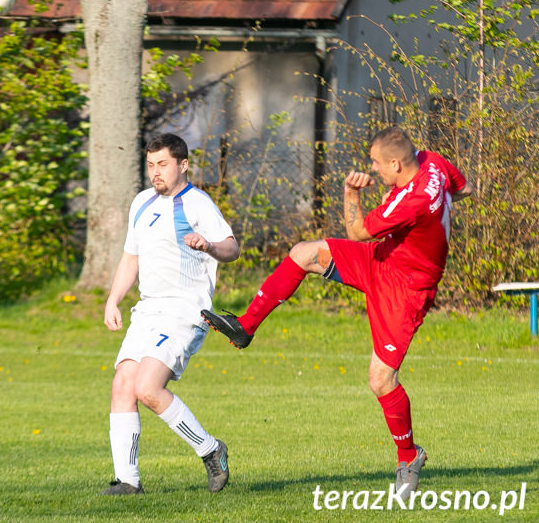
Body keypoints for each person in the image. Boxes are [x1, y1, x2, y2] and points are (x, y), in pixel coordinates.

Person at [202, 126, 473, 498]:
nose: (374, 169)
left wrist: (350, 192)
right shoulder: (433, 162)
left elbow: (358, 230)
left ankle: (409, 456)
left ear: (396, 162)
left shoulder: (409, 201)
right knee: (303, 253)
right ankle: (244, 326)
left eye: (377, 164)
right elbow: (464, 189)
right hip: (385, 259)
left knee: (380, 380)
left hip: (406, 288)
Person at [101, 133, 240, 496]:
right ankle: (127, 481)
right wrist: (113, 299)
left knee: (148, 387)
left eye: (162, 165)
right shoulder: (142, 202)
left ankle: (211, 450)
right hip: (147, 310)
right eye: (150, 165)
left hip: (184, 311)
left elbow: (232, 247)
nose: (155, 173)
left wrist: (208, 245)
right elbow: (131, 257)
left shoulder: (196, 203)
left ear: (183, 165)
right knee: (122, 386)